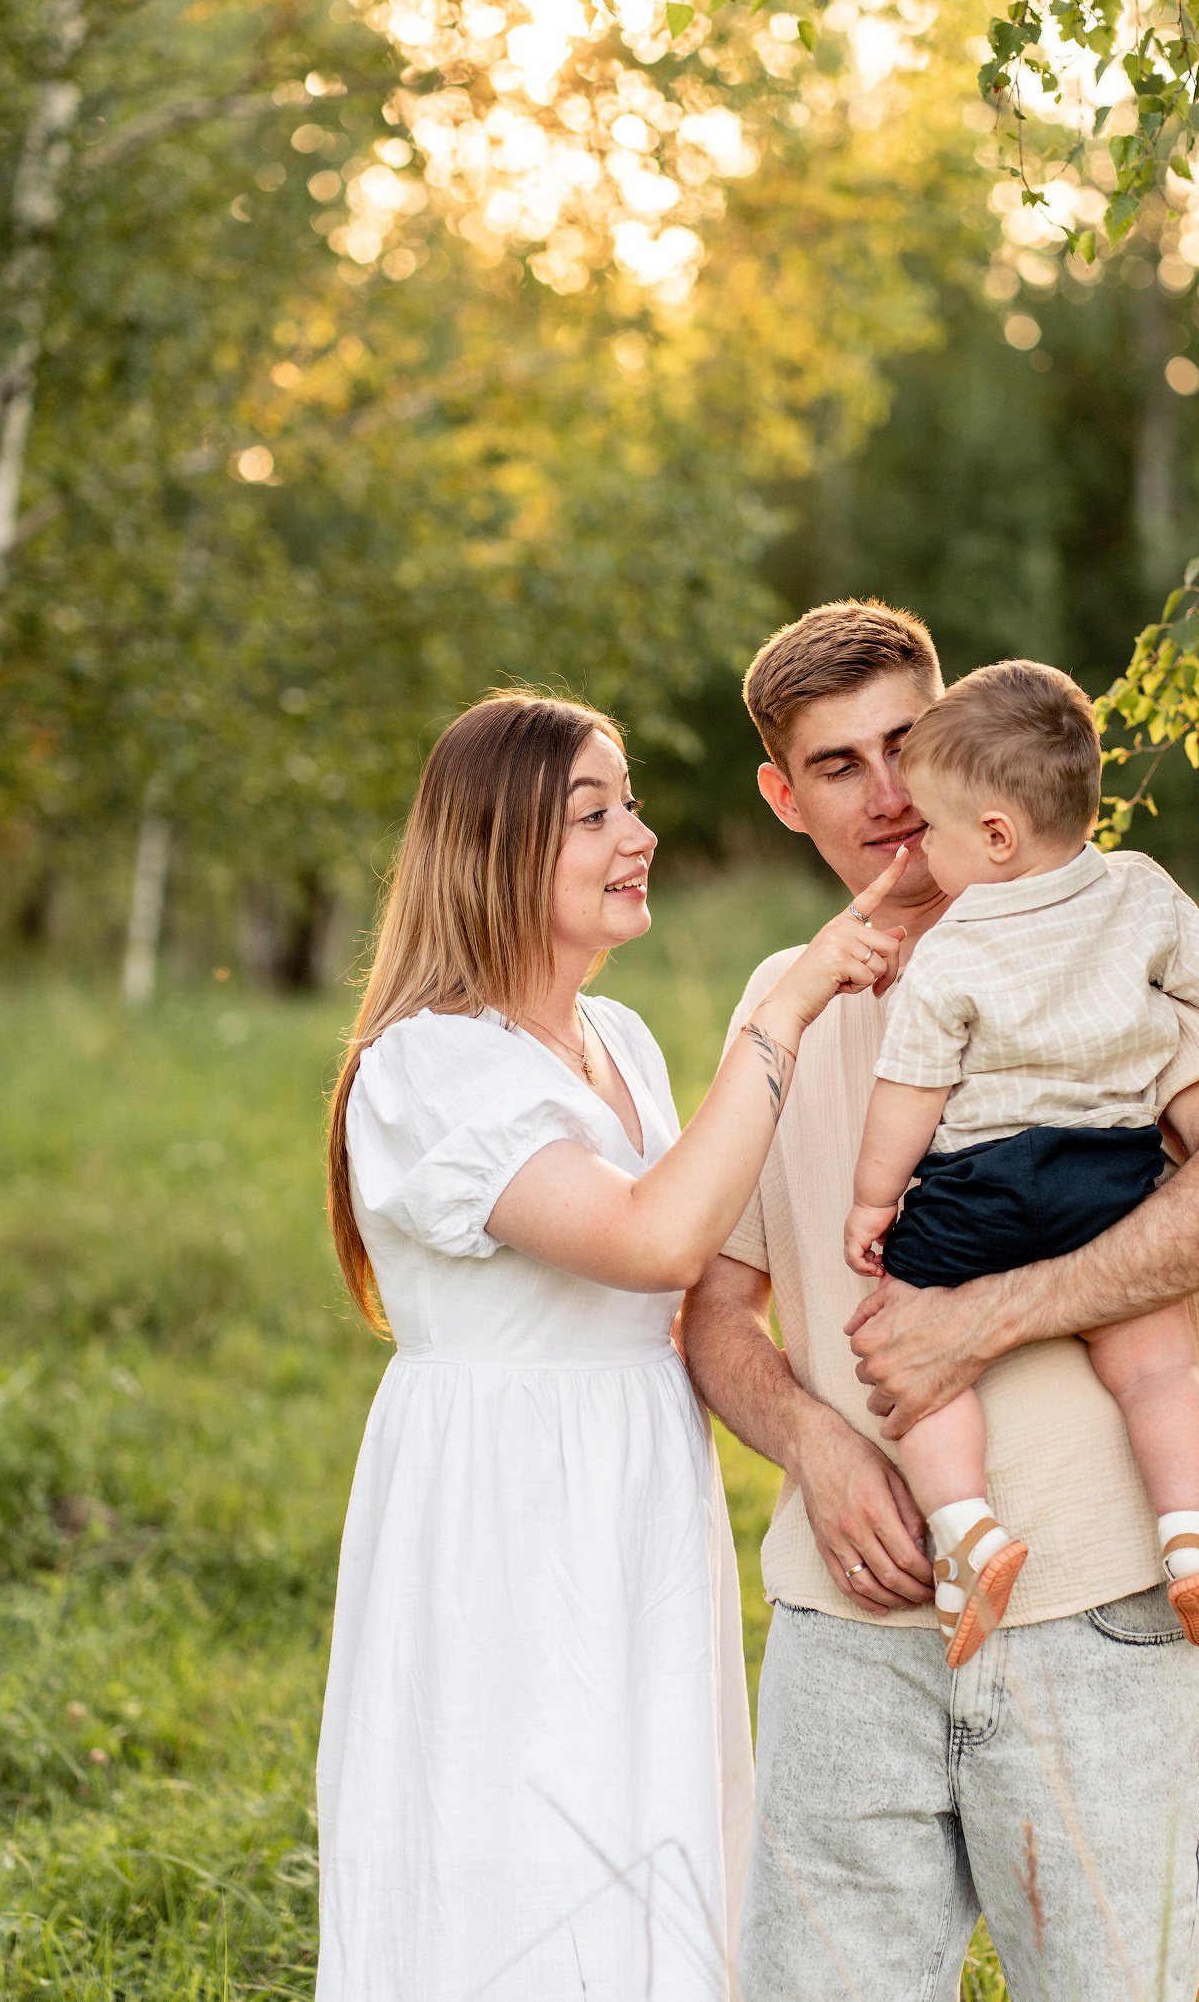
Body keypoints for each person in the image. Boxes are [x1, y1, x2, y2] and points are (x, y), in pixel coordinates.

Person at [680, 601, 1199, 2001]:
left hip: (1098, 1605)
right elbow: (716, 1311)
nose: (891, 792)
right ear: (784, 798)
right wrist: (819, 1446)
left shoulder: (1099, 929)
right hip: (851, 1625)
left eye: (907, 741)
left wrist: (989, 1313)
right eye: (838, 765)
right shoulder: (775, 1003)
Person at [315, 689, 907, 2002]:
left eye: (629, 802)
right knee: (516, 1837)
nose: (636, 834)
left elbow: (702, 1242)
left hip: (633, 1488)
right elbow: (654, 1240)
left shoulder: (622, 1044)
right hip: (506, 1505)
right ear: (498, 849)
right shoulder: (427, 1068)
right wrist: (787, 1006)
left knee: (647, 1822)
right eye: (595, 814)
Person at [843, 658, 1199, 1669]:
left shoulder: (950, 949)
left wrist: (871, 1200)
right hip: (1106, 1178)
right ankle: (1192, 1541)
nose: (917, 841)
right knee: (1158, 1369)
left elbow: (909, 1091)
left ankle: (968, 1536)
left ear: (992, 835)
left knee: (917, 1363)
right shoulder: (1137, 894)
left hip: (972, 1188)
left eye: (934, 829)